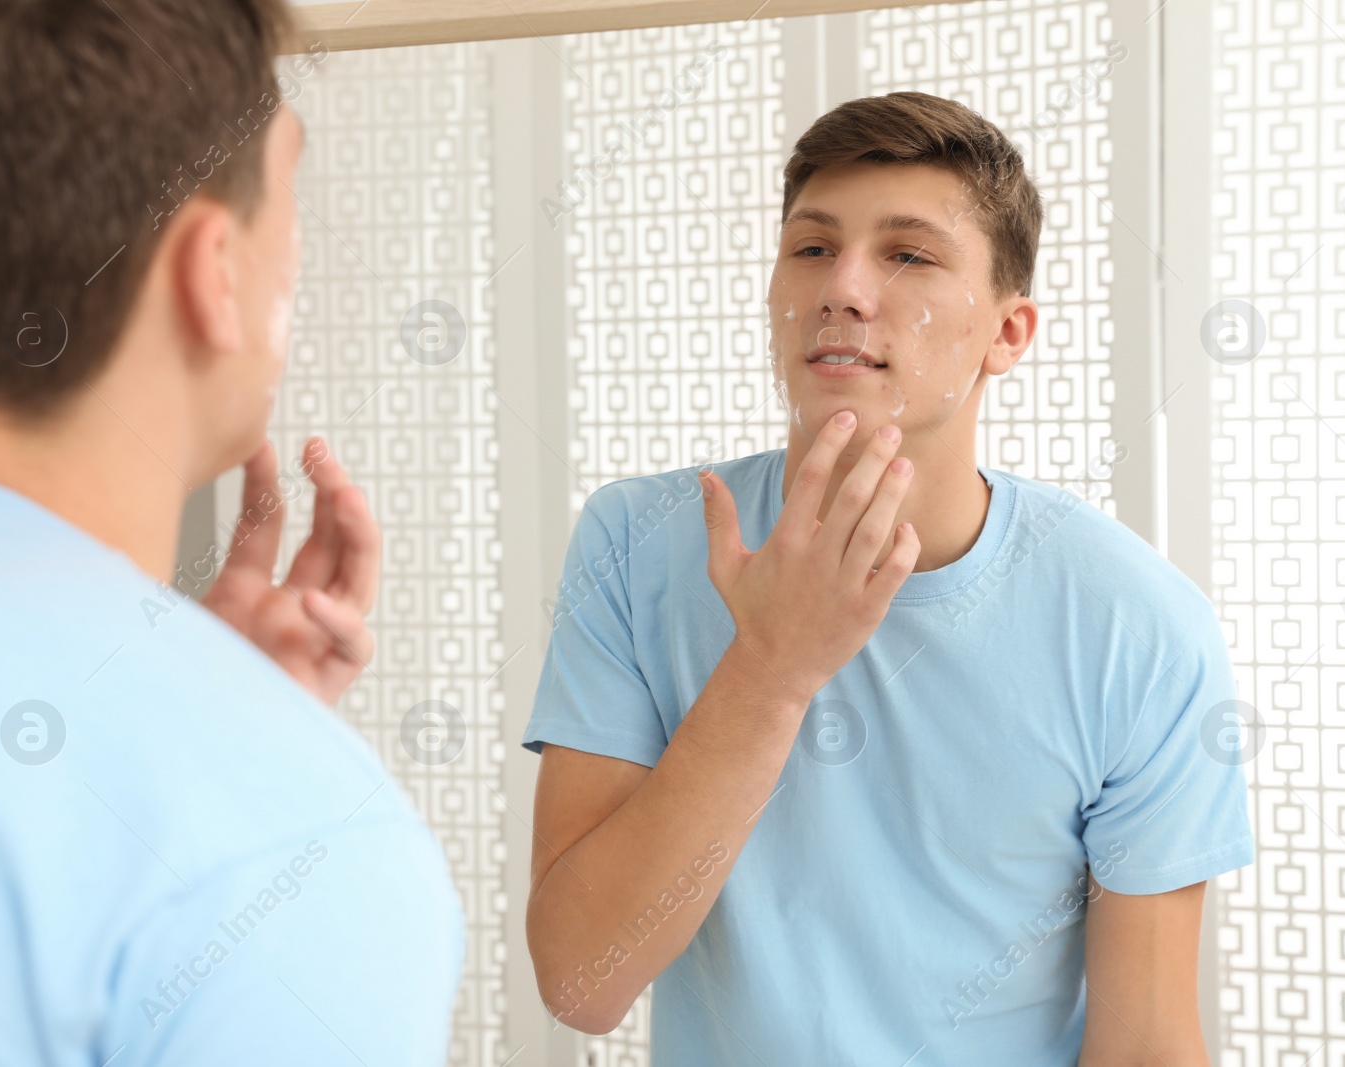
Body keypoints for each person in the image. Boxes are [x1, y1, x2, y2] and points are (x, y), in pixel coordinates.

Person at [523, 91, 1255, 1065]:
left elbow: (1147, 1041)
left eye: (908, 254)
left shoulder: (1136, 621)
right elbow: (580, 978)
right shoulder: (637, 540)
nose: (846, 288)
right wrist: (770, 671)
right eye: (813, 247)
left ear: (1008, 333)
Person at [0, 2, 461, 1064]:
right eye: (289, 193)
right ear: (214, 271)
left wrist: (186, 697)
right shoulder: (289, 847)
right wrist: (217, 749)